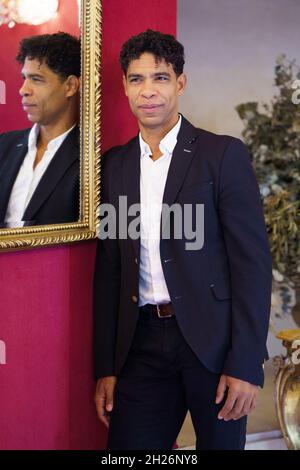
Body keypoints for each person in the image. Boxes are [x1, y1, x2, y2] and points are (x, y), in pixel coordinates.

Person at [93, 29, 272, 450]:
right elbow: (110, 271)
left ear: (180, 83)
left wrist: (246, 364)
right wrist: (106, 365)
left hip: (213, 345)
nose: (148, 91)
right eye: (137, 79)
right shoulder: (112, 167)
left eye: (160, 77)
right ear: (123, 85)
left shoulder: (221, 155)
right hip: (139, 345)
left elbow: (251, 266)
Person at [0, 32, 80, 226]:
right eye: (24, 78)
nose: (23, 89)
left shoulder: (90, 158)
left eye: (36, 79)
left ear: (70, 86)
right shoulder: (4, 145)